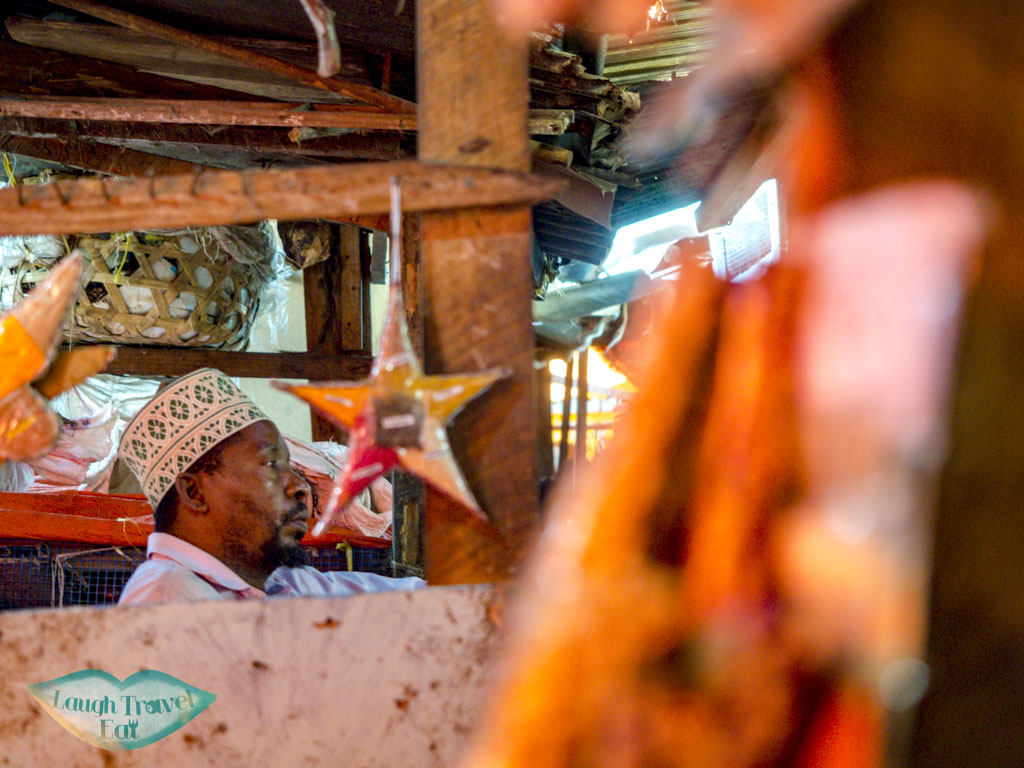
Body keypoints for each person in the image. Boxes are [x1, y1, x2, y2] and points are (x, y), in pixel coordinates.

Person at [116, 368, 424, 605]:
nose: (300, 487)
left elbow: (417, 601)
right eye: (270, 465)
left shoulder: (277, 584)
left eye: (290, 466)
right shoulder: (166, 601)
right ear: (194, 493)